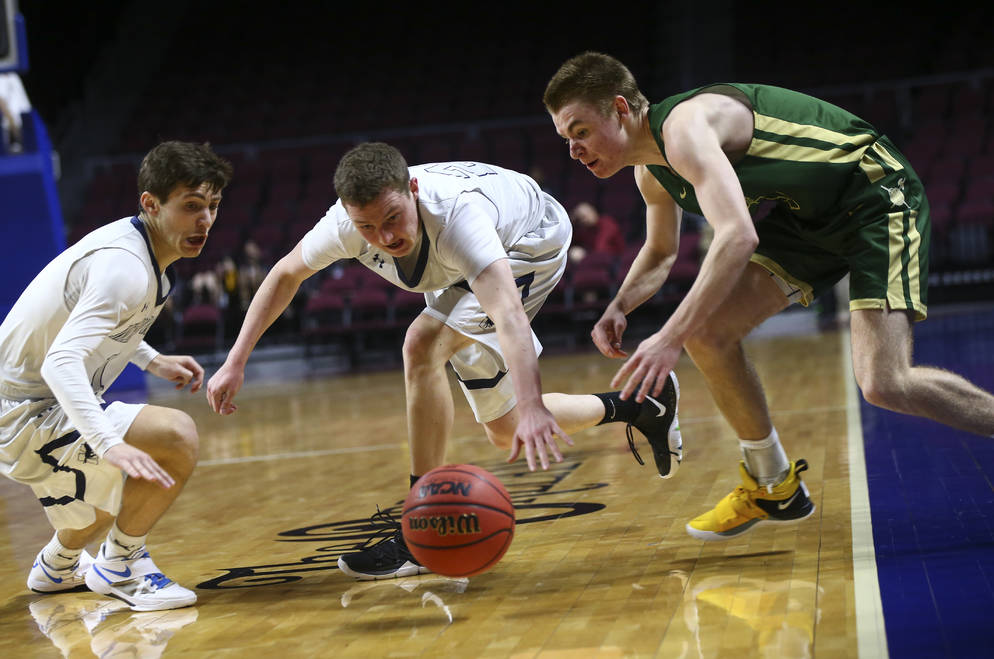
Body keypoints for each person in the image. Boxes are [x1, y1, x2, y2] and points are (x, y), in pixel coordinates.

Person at [543, 52, 994, 541]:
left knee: (885, 383)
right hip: (808, 221)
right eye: (566, 139)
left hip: (872, 194)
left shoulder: (685, 129)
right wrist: (619, 305)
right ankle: (772, 485)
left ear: (620, 108)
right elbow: (659, 251)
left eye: (581, 131)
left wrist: (669, 336)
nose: (573, 150)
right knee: (710, 336)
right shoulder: (650, 172)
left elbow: (738, 236)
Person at [206, 142, 683, 580]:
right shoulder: (346, 225)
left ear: (412, 190)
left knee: (421, 345)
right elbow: (285, 273)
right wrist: (235, 360)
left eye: (392, 218)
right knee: (505, 429)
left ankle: (419, 530)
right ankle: (642, 404)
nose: (383, 237)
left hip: (530, 240)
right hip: (456, 264)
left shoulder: (458, 217)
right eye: (367, 227)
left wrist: (536, 401)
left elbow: (509, 316)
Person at [0, 141, 233, 609]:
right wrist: (110, 444)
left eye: (212, 206)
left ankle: (57, 568)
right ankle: (121, 566)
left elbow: (104, 324)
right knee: (174, 437)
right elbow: (61, 362)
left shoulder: (146, 251)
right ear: (150, 204)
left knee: (102, 495)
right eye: (192, 207)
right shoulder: (125, 267)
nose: (205, 221)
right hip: (19, 411)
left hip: (22, 402)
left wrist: (153, 361)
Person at [569, 200, 625, 265]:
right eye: (580, 218)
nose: (584, 220)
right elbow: (571, 242)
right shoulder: (585, 228)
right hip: (596, 258)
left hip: (614, 260)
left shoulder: (607, 223)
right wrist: (572, 220)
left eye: (586, 215)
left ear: (593, 211)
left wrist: (586, 254)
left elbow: (600, 248)